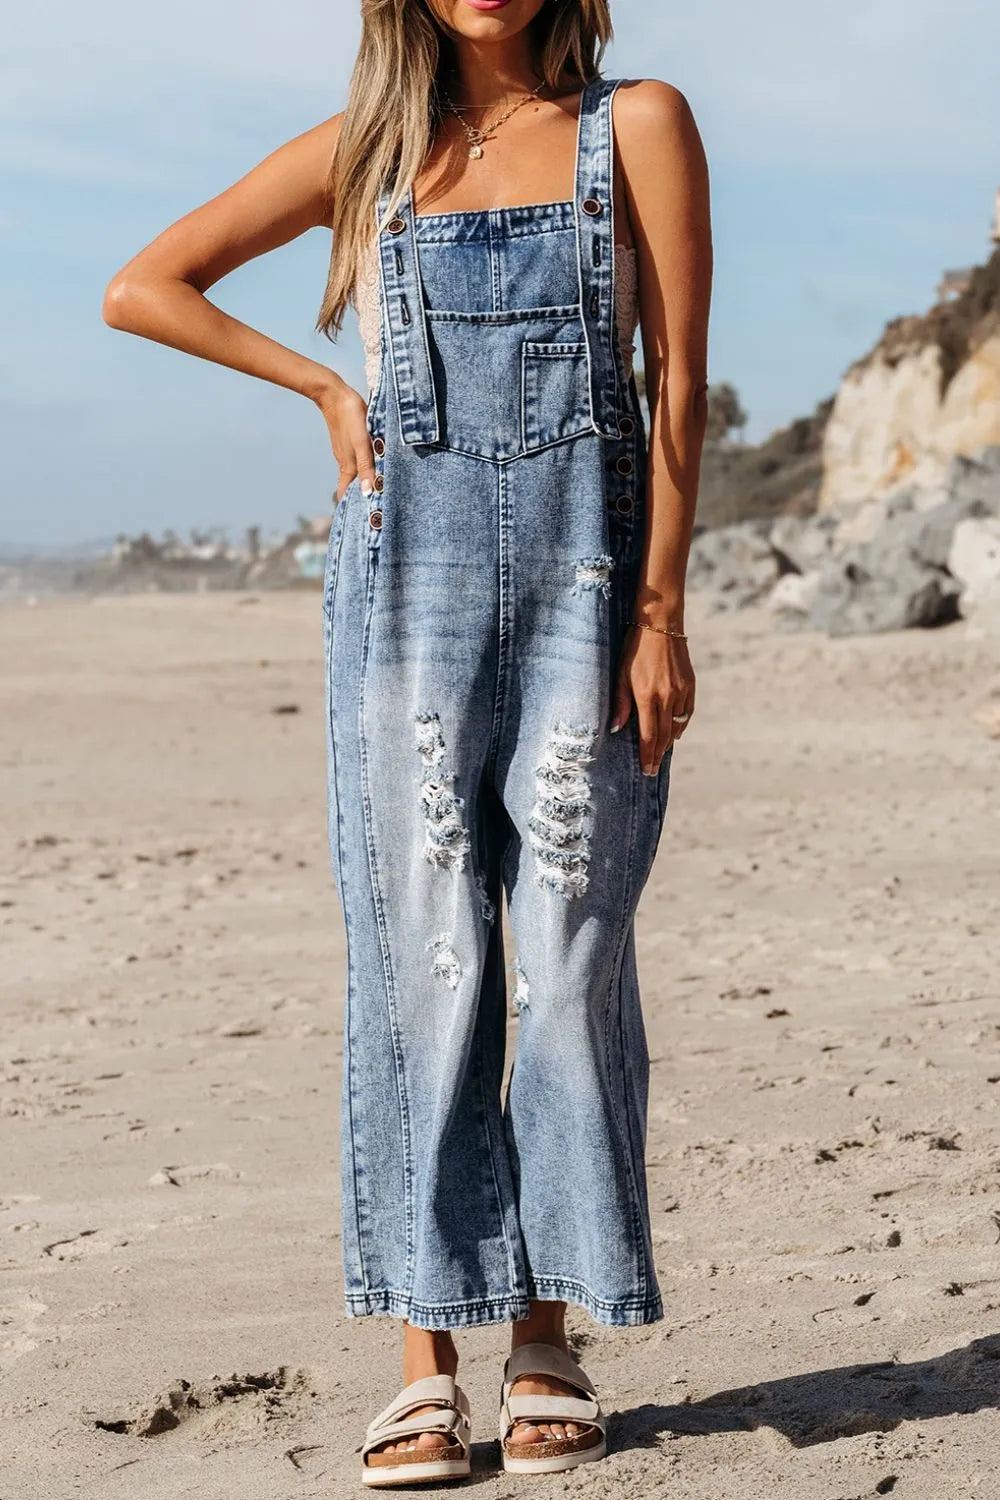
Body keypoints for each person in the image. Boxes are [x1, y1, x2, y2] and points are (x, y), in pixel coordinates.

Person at [103, 0, 711, 1484]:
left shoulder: (636, 125)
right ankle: (425, 1355)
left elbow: (677, 384)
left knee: (565, 965)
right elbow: (144, 287)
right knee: (424, 961)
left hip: (591, 579)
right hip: (404, 594)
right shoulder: (366, 152)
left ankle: (548, 1339)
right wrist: (325, 386)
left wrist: (661, 614)